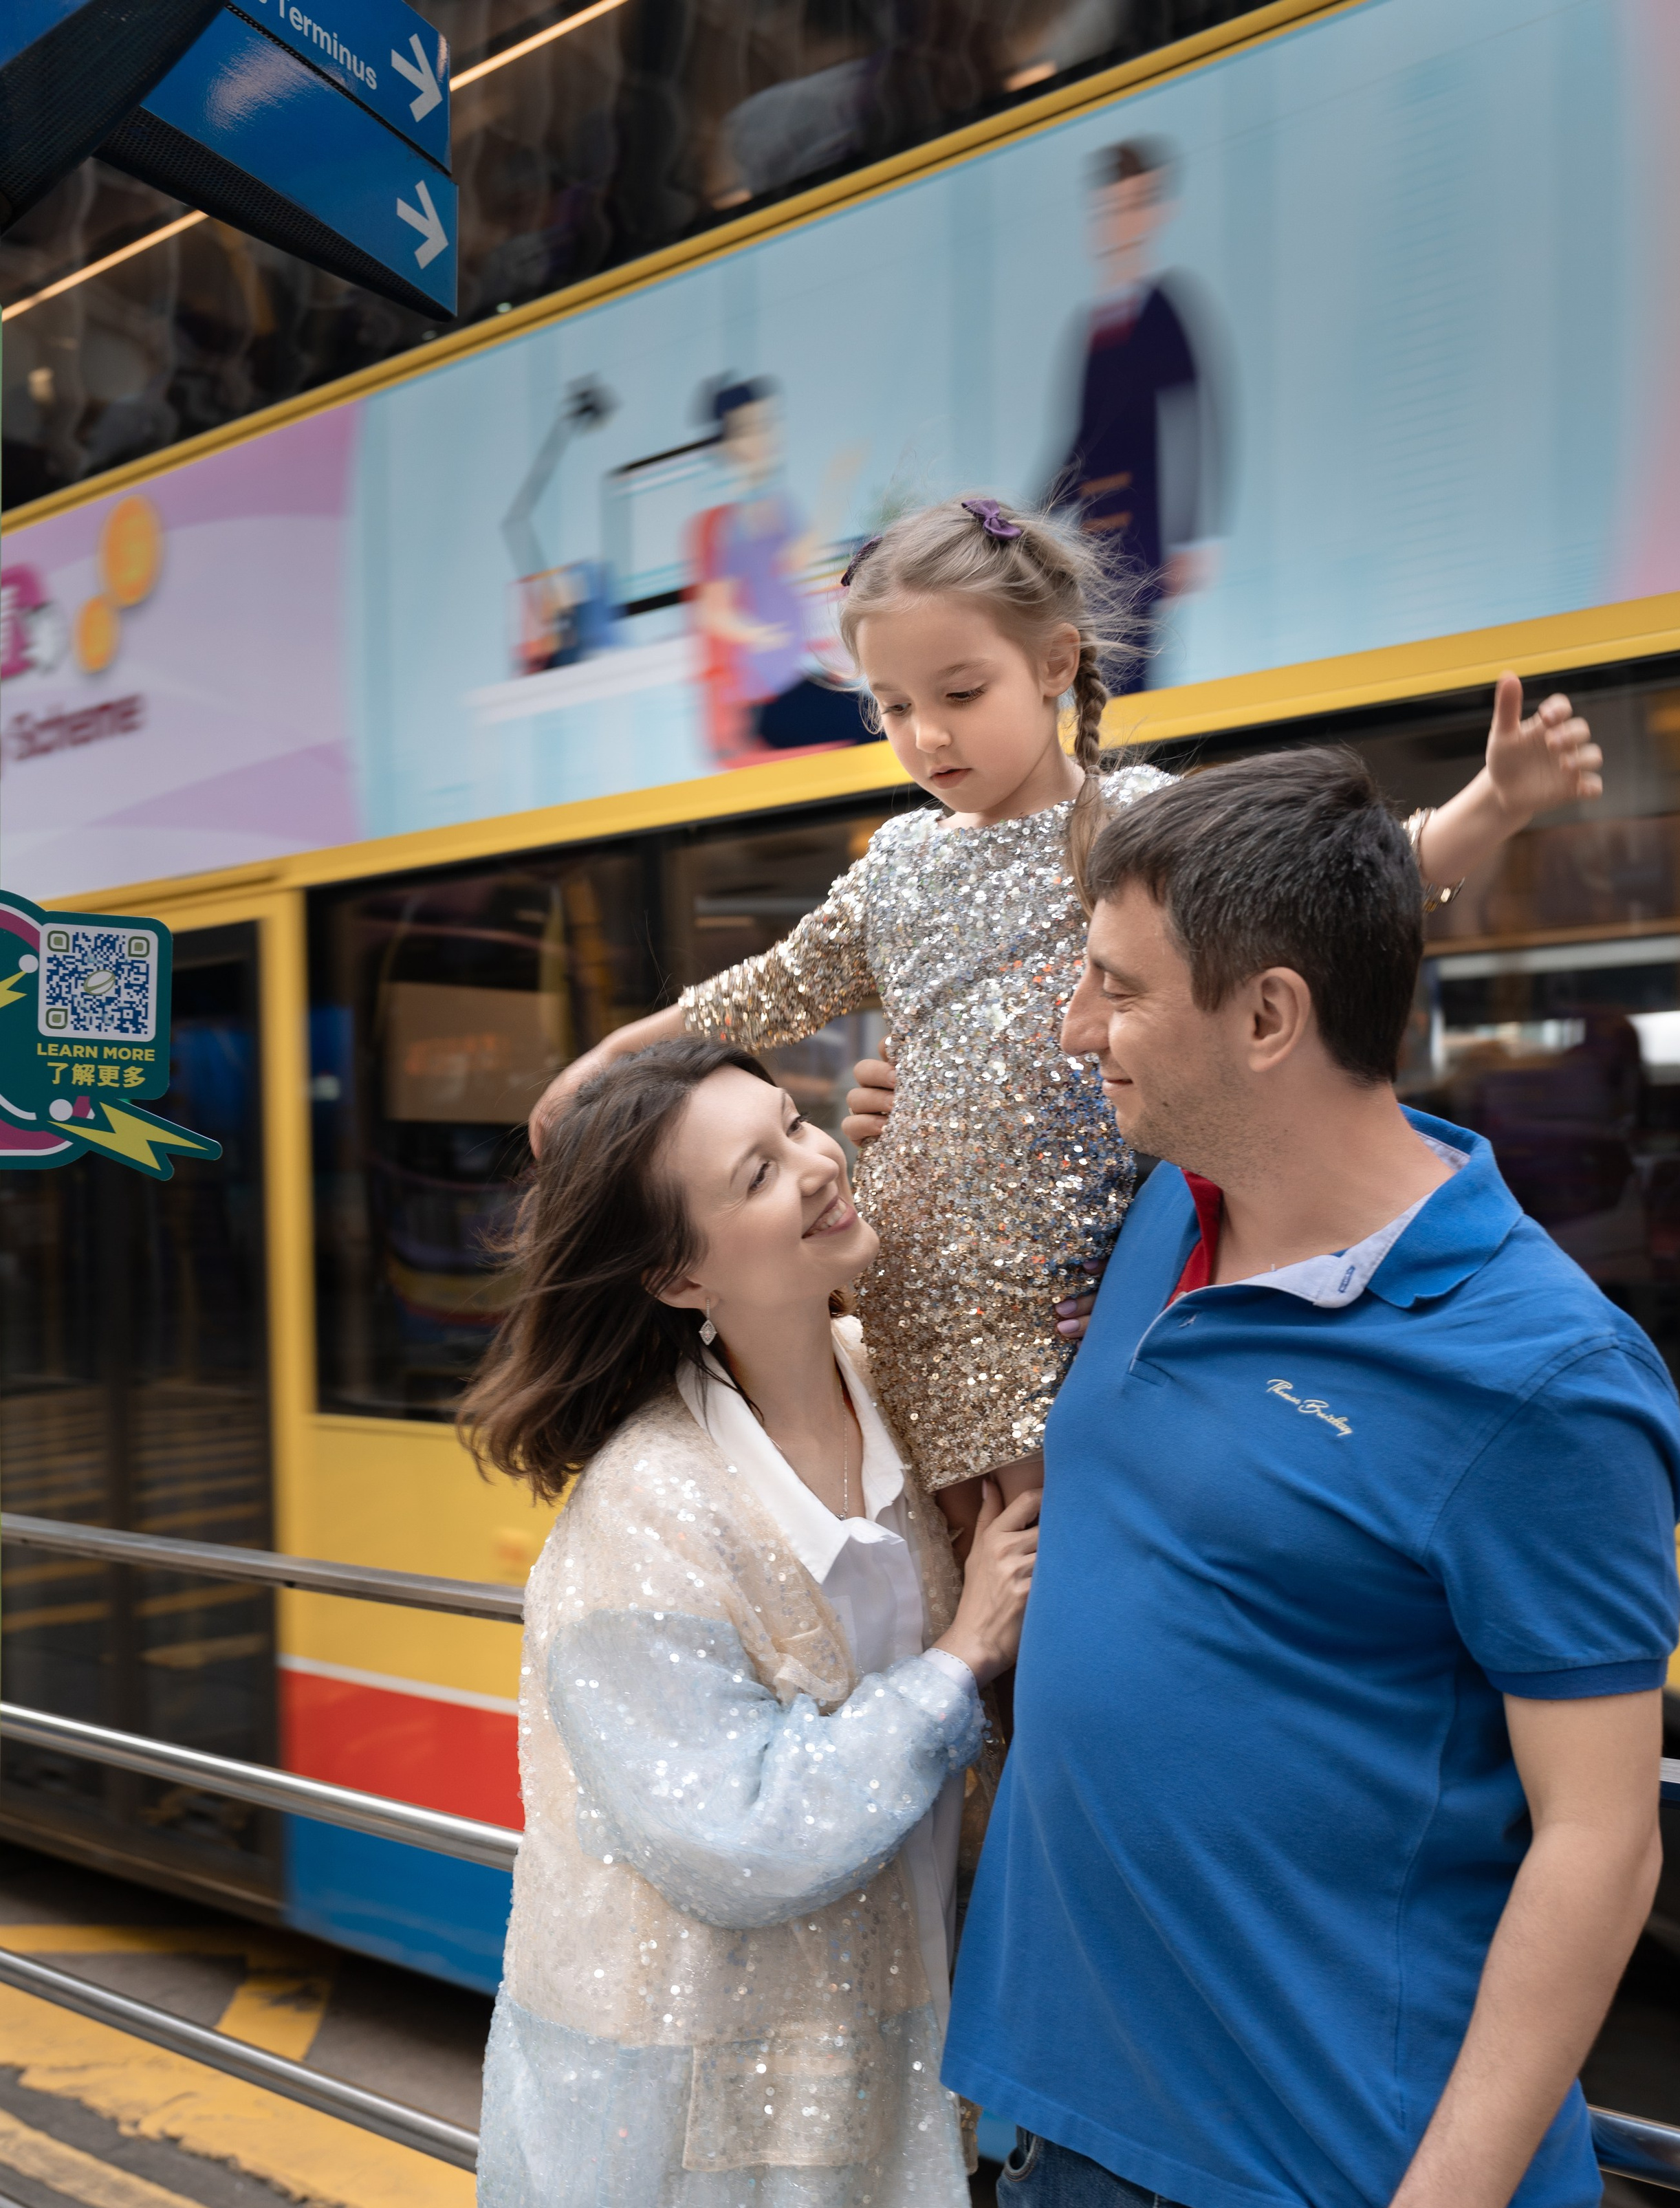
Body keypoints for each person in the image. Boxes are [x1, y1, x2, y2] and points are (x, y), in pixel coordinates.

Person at [936, 750, 1680, 2208]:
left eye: (1114, 980)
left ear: (1266, 1018)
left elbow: (1603, 1839)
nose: (1074, 1018)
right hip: (1088, 2185)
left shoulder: (1541, 1373)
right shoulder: (1159, 1222)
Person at [534, 494, 1602, 1546]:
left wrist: (1493, 805)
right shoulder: (899, 861)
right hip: (904, 1323)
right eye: (893, 707)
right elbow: (773, 985)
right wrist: (614, 1053)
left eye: (960, 691)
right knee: (955, 1616)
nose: (927, 736)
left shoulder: (1132, 826)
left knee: (1048, 1595)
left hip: (1065, 1325)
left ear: (1055, 663)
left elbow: (1344, 885)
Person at [459, 1038, 1038, 2208]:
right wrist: (953, 1661)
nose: (810, 1163)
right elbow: (733, 1833)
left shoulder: (908, 1387)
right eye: (758, 1170)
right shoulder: (638, 1513)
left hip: (855, 2131)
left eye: (792, 1123)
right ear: (673, 1272)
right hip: (652, 2145)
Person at [1047, 138, 1229, 692]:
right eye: (1109, 209)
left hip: (1140, 540)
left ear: (1154, 212)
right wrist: (1024, 519)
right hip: (1089, 542)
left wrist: (1193, 537)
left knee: (1128, 677)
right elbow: (1080, 442)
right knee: (1089, 677)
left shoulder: (1164, 308)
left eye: (1133, 206)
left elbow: (1197, 421)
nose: (1119, 222)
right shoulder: (1092, 325)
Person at [692, 376, 867, 762]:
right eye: (749, 430)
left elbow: (799, 559)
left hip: (797, 681)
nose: (762, 439)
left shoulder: (777, 504)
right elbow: (713, 609)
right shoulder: (735, 522)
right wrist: (759, 634)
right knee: (876, 728)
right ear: (728, 444)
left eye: (766, 426)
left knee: (879, 718)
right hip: (770, 698)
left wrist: (837, 487)